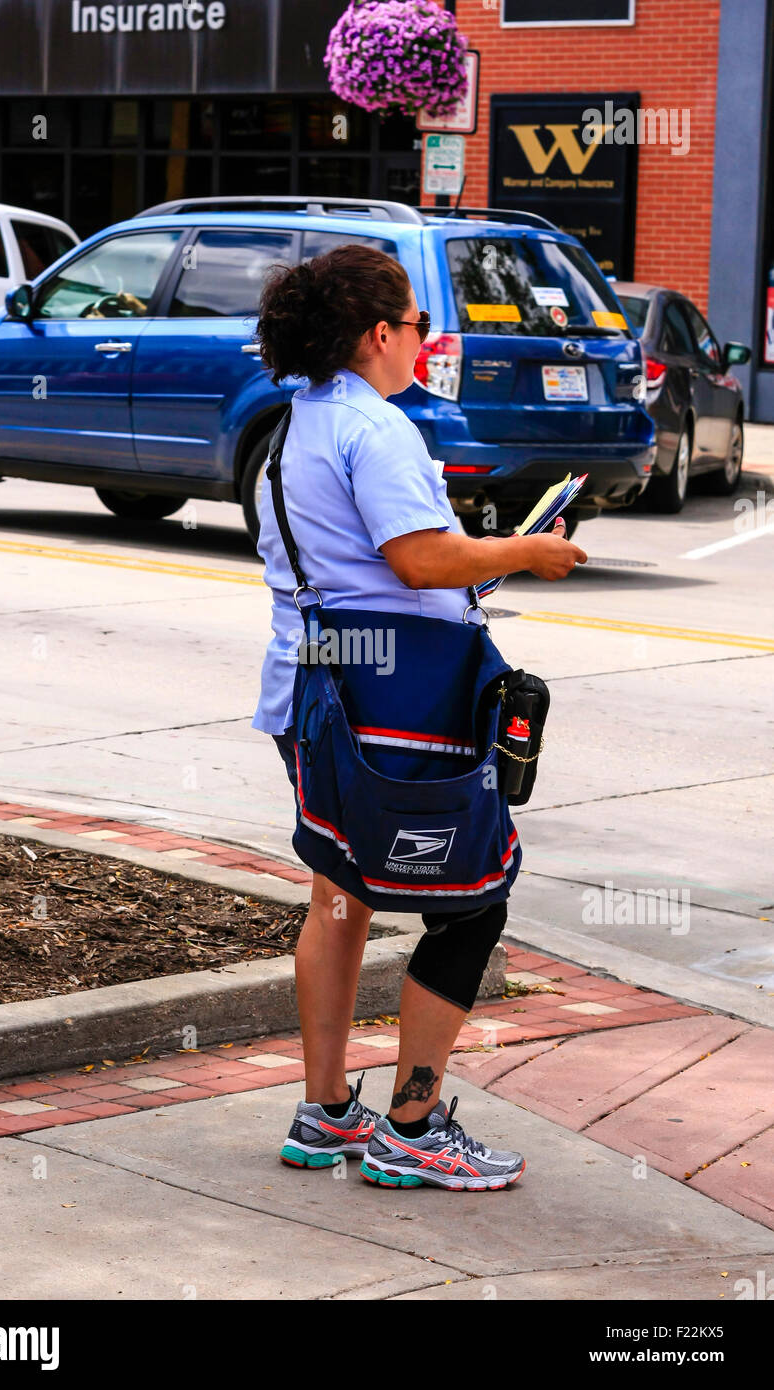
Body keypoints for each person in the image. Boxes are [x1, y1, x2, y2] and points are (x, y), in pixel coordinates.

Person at [251, 244, 587, 1191]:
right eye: (417, 325)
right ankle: (413, 1123)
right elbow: (418, 561)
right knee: (475, 899)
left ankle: (325, 1116)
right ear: (377, 334)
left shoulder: (293, 425)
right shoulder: (378, 427)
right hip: (400, 700)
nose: (425, 344)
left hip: (313, 690)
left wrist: (488, 552)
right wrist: (525, 550)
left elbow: (355, 566)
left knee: (339, 890)